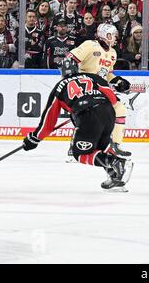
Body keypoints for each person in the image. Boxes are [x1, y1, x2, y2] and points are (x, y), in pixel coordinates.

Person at [22, 60, 133, 191]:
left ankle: (115, 163)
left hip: (88, 116)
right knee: (101, 147)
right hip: (108, 112)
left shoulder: (59, 87)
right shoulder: (92, 77)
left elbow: (48, 121)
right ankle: (115, 177)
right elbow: (113, 99)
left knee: (79, 153)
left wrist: (34, 138)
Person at [65, 23, 131, 158]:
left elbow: (108, 74)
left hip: (101, 89)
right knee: (88, 116)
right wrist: (72, 77)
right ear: (106, 35)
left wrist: (119, 81)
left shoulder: (113, 53)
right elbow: (69, 60)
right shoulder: (90, 45)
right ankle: (75, 145)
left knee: (120, 109)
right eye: (114, 35)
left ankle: (115, 145)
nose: (116, 38)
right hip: (85, 87)